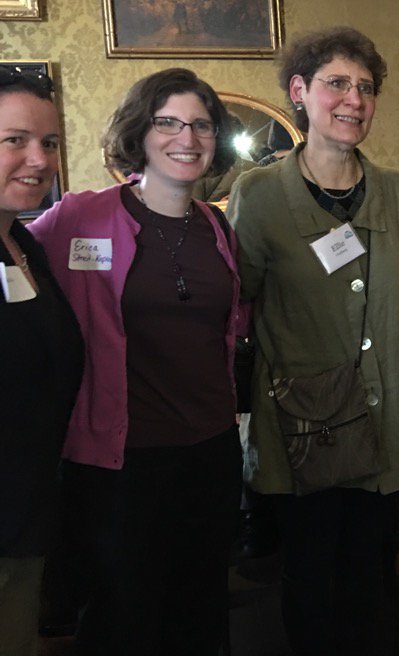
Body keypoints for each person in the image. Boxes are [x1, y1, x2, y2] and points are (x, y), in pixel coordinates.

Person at [28, 68, 244, 656]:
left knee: (201, 608)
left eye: (201, 125)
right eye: (167, 122)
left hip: (210, 451)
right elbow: (12, 250)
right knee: (124, 614)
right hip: (118, 464)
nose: (187, 138)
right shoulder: (80, 217)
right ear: (139, 133)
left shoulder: (216, 226)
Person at [227, 26, 399, 656]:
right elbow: (239, 302)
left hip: (382, 418)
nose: (354, 99)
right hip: (304, 425)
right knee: (309, 580)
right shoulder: (258, 195)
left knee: (373, 581)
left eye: (366, 88)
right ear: (299, 91)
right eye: (337, 83)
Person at [0, 68, 84, 656]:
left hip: (26, 518)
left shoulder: (26, 245)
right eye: (15, 140)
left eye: (49, 142)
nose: (39, 159)